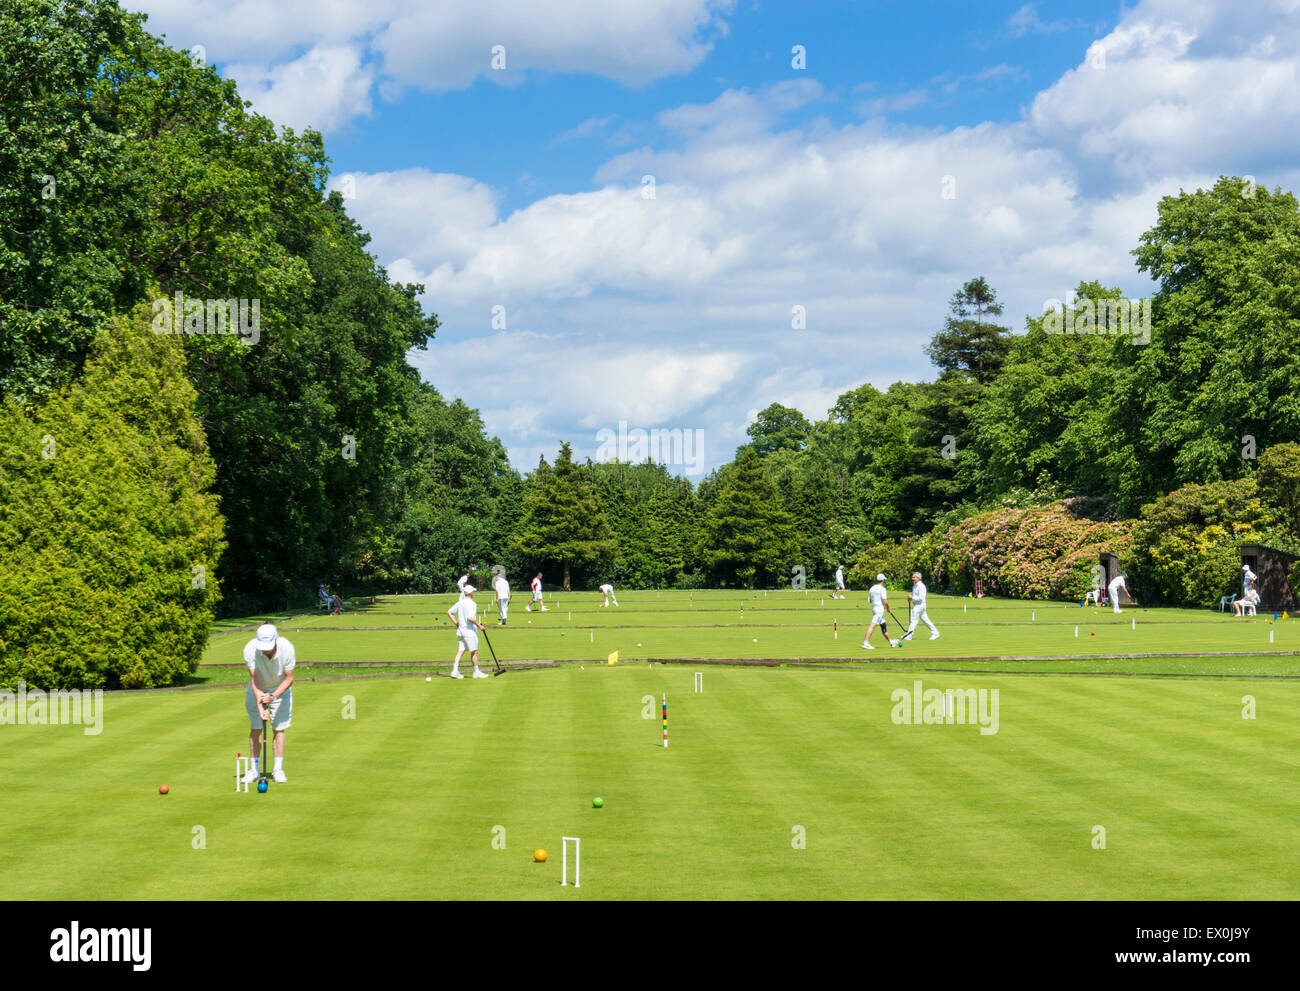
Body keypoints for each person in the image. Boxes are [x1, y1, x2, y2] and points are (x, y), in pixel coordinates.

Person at [241, 623, 295, 784]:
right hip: (256, 689)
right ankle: (254, 770)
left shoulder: (287, 648)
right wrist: (260, 704)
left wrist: (273, 695)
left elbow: (289, 678)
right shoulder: (250, 649)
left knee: (279, 729)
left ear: (276, 640)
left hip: (280, 690)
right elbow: (255, 678)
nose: (265, 650)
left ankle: (278, 769)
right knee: (256, 728)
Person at [447, 585, 489, 679]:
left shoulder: (460, 602)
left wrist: (457, 624)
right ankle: (476, 672)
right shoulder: (472, 604)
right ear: (471, 593)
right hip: (469, 632)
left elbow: (449, 612)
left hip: (461, 631)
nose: (474, 593)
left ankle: (455, 671)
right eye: (473, 592)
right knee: (474, 652)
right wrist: (479, 625)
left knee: (461, 651)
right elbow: (470, 618)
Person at [901, 571, 939, 641]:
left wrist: (912, 598)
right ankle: (935, 633)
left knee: (914, 620)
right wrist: (910, 599)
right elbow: (914, 596)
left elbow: (921, 598)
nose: (912, 579)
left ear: (918, 578)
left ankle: (909, 636)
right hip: (917, 604)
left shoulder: (921, 586)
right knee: (925, 620)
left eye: (914, 577)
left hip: (920, 605)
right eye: (912, 577)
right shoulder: (915, 585)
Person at [861, 573, 891, 649]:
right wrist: (888, 608)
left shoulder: (872, 588)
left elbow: (870, 600)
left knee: (883, 625)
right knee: (873, 625)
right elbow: (885, 601)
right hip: (879, 610)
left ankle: (891, 641)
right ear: (883, 580)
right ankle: (866, 643)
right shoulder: (882, 589)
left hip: (874, 608)